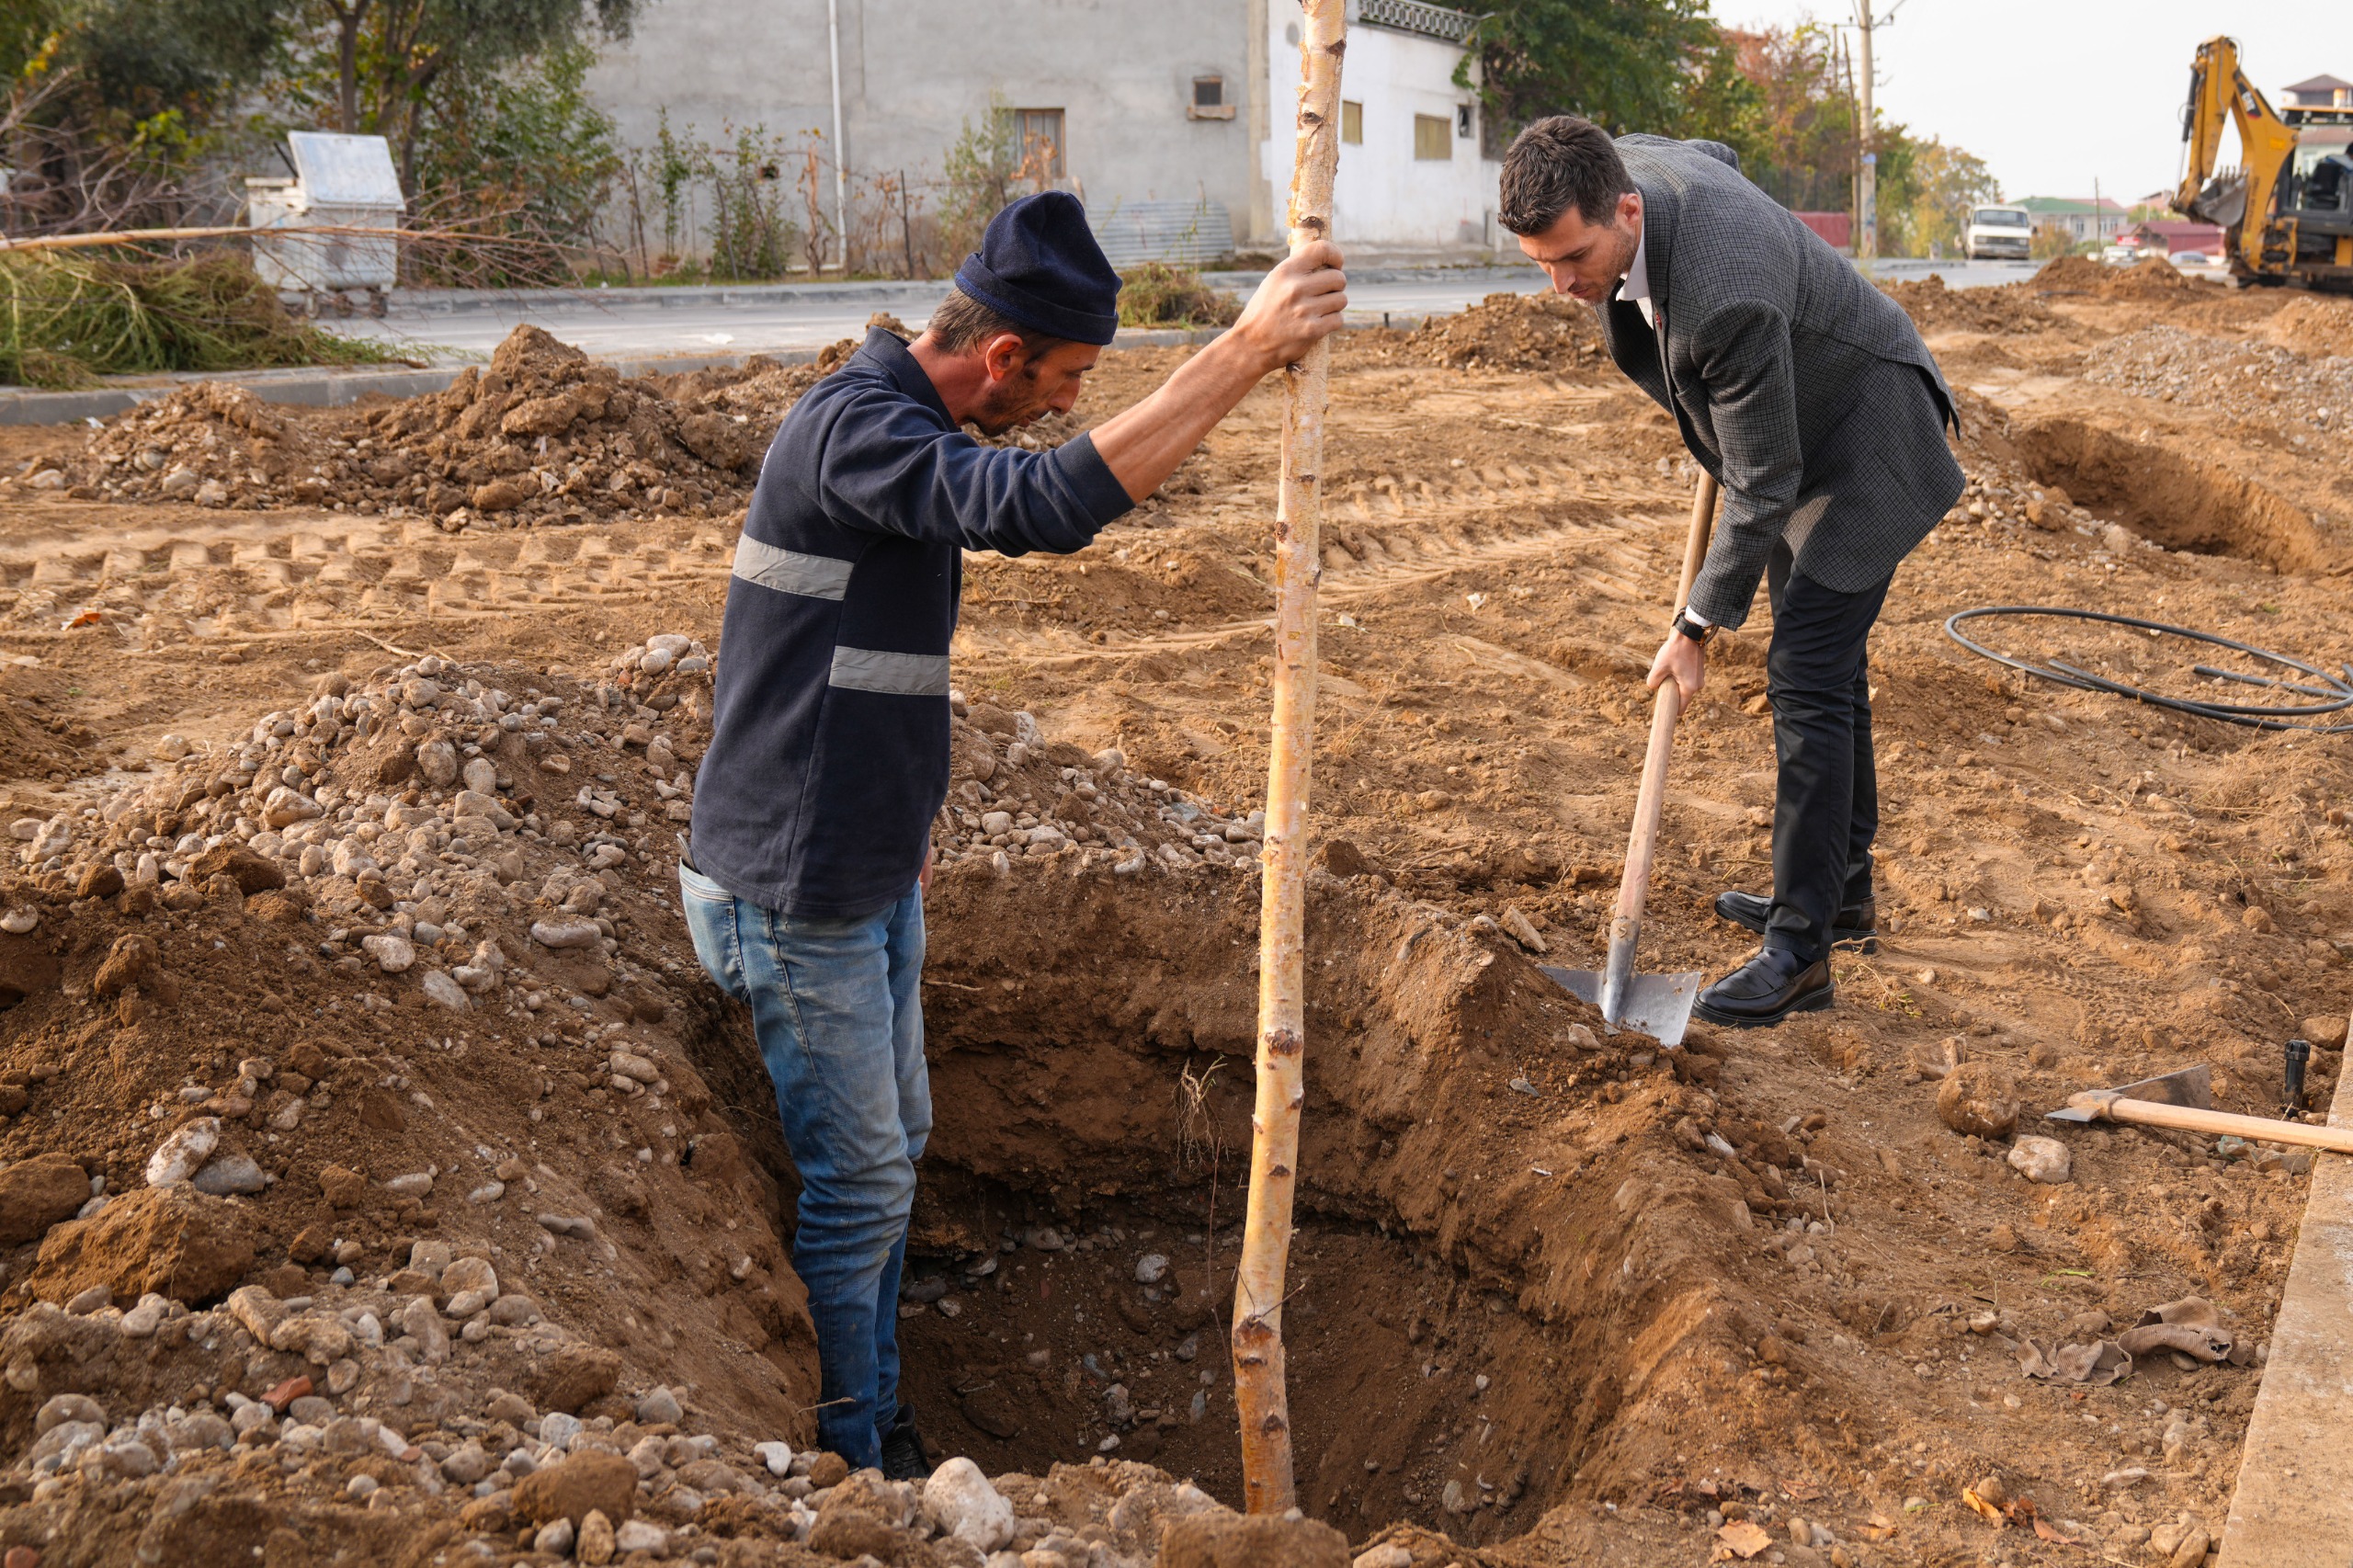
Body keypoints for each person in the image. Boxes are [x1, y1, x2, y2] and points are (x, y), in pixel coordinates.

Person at [679, 192, 1346, 1476]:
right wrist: (1246, 350)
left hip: (868, 862)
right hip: (794, 884)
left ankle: (877, 1407)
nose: (1068, 403)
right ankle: (851, 1460)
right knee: (861, 1182)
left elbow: (866, 660)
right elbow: (1038, 505)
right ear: (999, 357)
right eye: (1066, 379)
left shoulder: (906, 423)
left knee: (899, 1152)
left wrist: (905, 817)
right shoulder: (855, 428)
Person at [1497, 117, 1962, 1028]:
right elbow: (1719, 158)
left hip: (1869, 439)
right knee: (1826, 673)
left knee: (1807, 676)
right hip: (1796, 427)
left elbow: (1762, 484)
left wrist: (1695, 625)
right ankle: (1841, 896)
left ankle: (1800, 953)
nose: (1562, 286)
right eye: (1541, 264)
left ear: (1626, 210)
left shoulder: (1725, 300)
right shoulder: (1632, 168)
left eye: (1575, 258)